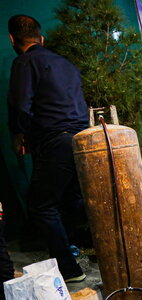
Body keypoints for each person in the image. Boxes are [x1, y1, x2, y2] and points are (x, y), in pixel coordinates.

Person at [7, 15, 88, 282]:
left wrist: (20, 135)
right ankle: (78, 250)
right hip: (82, 140)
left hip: (56, 141)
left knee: (41, 206)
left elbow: (21, 106)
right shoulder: (67, 64)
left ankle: (69, 269)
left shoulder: (25, 62)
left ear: (12, 40)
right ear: (41, 38)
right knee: (71, 200)